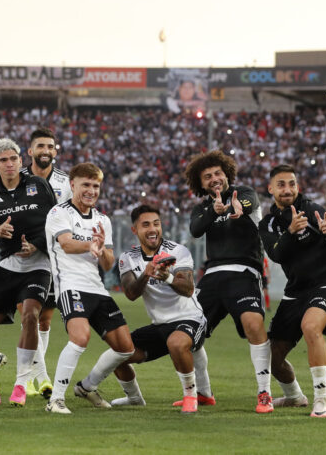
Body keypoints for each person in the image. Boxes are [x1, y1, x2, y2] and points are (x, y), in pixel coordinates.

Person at [0, 138, 56, 407]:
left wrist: (36, 244)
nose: (9, 164)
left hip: (39, 265)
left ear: (20, 160)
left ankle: (20, 384)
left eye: (13, 158)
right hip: (8, 266)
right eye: (3, 160)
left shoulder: (38, 185)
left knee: (30, 315)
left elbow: (55, 221)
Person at [184, 150, 273, 414]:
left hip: (244, 272)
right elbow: (196, 229)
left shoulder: (243, 193)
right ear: (201, 183)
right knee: (187, 331)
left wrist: (236, 208)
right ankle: (204, 392)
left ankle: (264, 392)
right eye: (208, 176)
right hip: (211, 277)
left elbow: (248, 203)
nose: (214, 178)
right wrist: (214, 209)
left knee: (253, 323)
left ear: (227, 175)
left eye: (218, 174)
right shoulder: (201, 208)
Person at [43, 163, 135, 414]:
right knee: (80, 337)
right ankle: (56, 400)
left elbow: (107, 264)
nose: (91, 190)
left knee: (125, 347)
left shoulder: (103, 220)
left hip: (97, 289)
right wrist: (90, 246)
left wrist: (102, 249)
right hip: (70, 285)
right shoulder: (58, 213)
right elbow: (67, 244)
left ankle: (87, 386)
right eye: (86, 184)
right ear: (73, 185)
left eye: (95, 186)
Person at [258, 164, 326, 418]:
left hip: (325, 282)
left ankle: (321, 398)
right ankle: (295, 396)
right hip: (295, 291)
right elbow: (276, 253)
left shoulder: (310, 207)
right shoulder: (268, 223)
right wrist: (291, 232)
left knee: (311, 327)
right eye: (281, 184)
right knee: (271, 357)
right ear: (271, 188)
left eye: (292, 184)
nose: (287, 189)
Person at [109, 205, 209, 413]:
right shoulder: (127, 257)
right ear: (134, 230)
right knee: (117, 354)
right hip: (160, 325)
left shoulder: (178, 251)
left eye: (156, 224)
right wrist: (146, 274)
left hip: (190, 318)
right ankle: (134, 399)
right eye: (146, 225)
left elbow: (189, 289)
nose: (153, 229)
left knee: (176, 341)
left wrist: (168, 277)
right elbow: (130, 294)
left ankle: (190, 396)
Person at [19, 127, 72, 396]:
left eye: (50, 147)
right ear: (30, 151)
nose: (46, 151)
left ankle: (30, 379)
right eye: (40, 146)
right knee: (28, 314)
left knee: (45, 320)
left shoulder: (65, 182)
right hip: (21, 256)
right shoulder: (16, 178)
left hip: (53, 259)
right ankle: (38, 377)